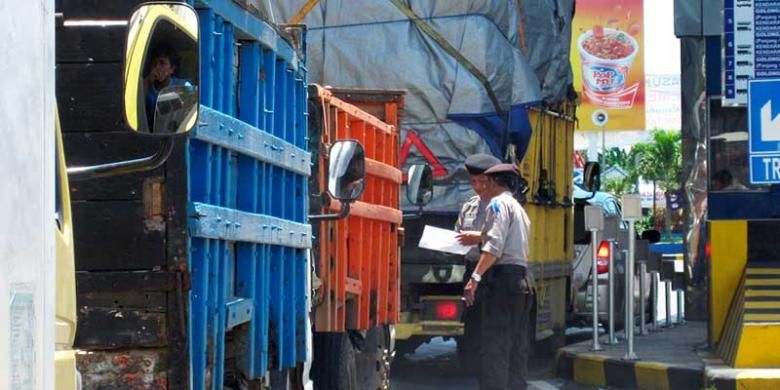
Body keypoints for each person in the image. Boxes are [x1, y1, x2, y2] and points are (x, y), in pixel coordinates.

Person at [464, 163, 535, 390]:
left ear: (494, 182)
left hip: (501, 282)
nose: (484, 187)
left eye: (487, 182)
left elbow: (494, 247)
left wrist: (474, 278)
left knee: (495, 348)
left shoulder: (497, 204)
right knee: (516, 347)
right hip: (521, 281)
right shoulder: (518, 208)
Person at [453, 153, 501, 374]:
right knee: (472, 325)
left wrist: (479, 237)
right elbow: (458, 234)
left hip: (495, 272)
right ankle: (472, 370)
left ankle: (492, 374)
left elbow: (501, 239)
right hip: (472, 269)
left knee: (495, 327)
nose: (478, 187)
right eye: (474, 182)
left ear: (492, 181)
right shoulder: (469, 207)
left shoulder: (503, 206)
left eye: (483, 181)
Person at [143, 44, 192, 131]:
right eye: (154, 63)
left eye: (162, 63)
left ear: (172, 69)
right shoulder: (147, 87)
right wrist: (147, 81)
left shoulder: (182, 86)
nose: (157, 67)